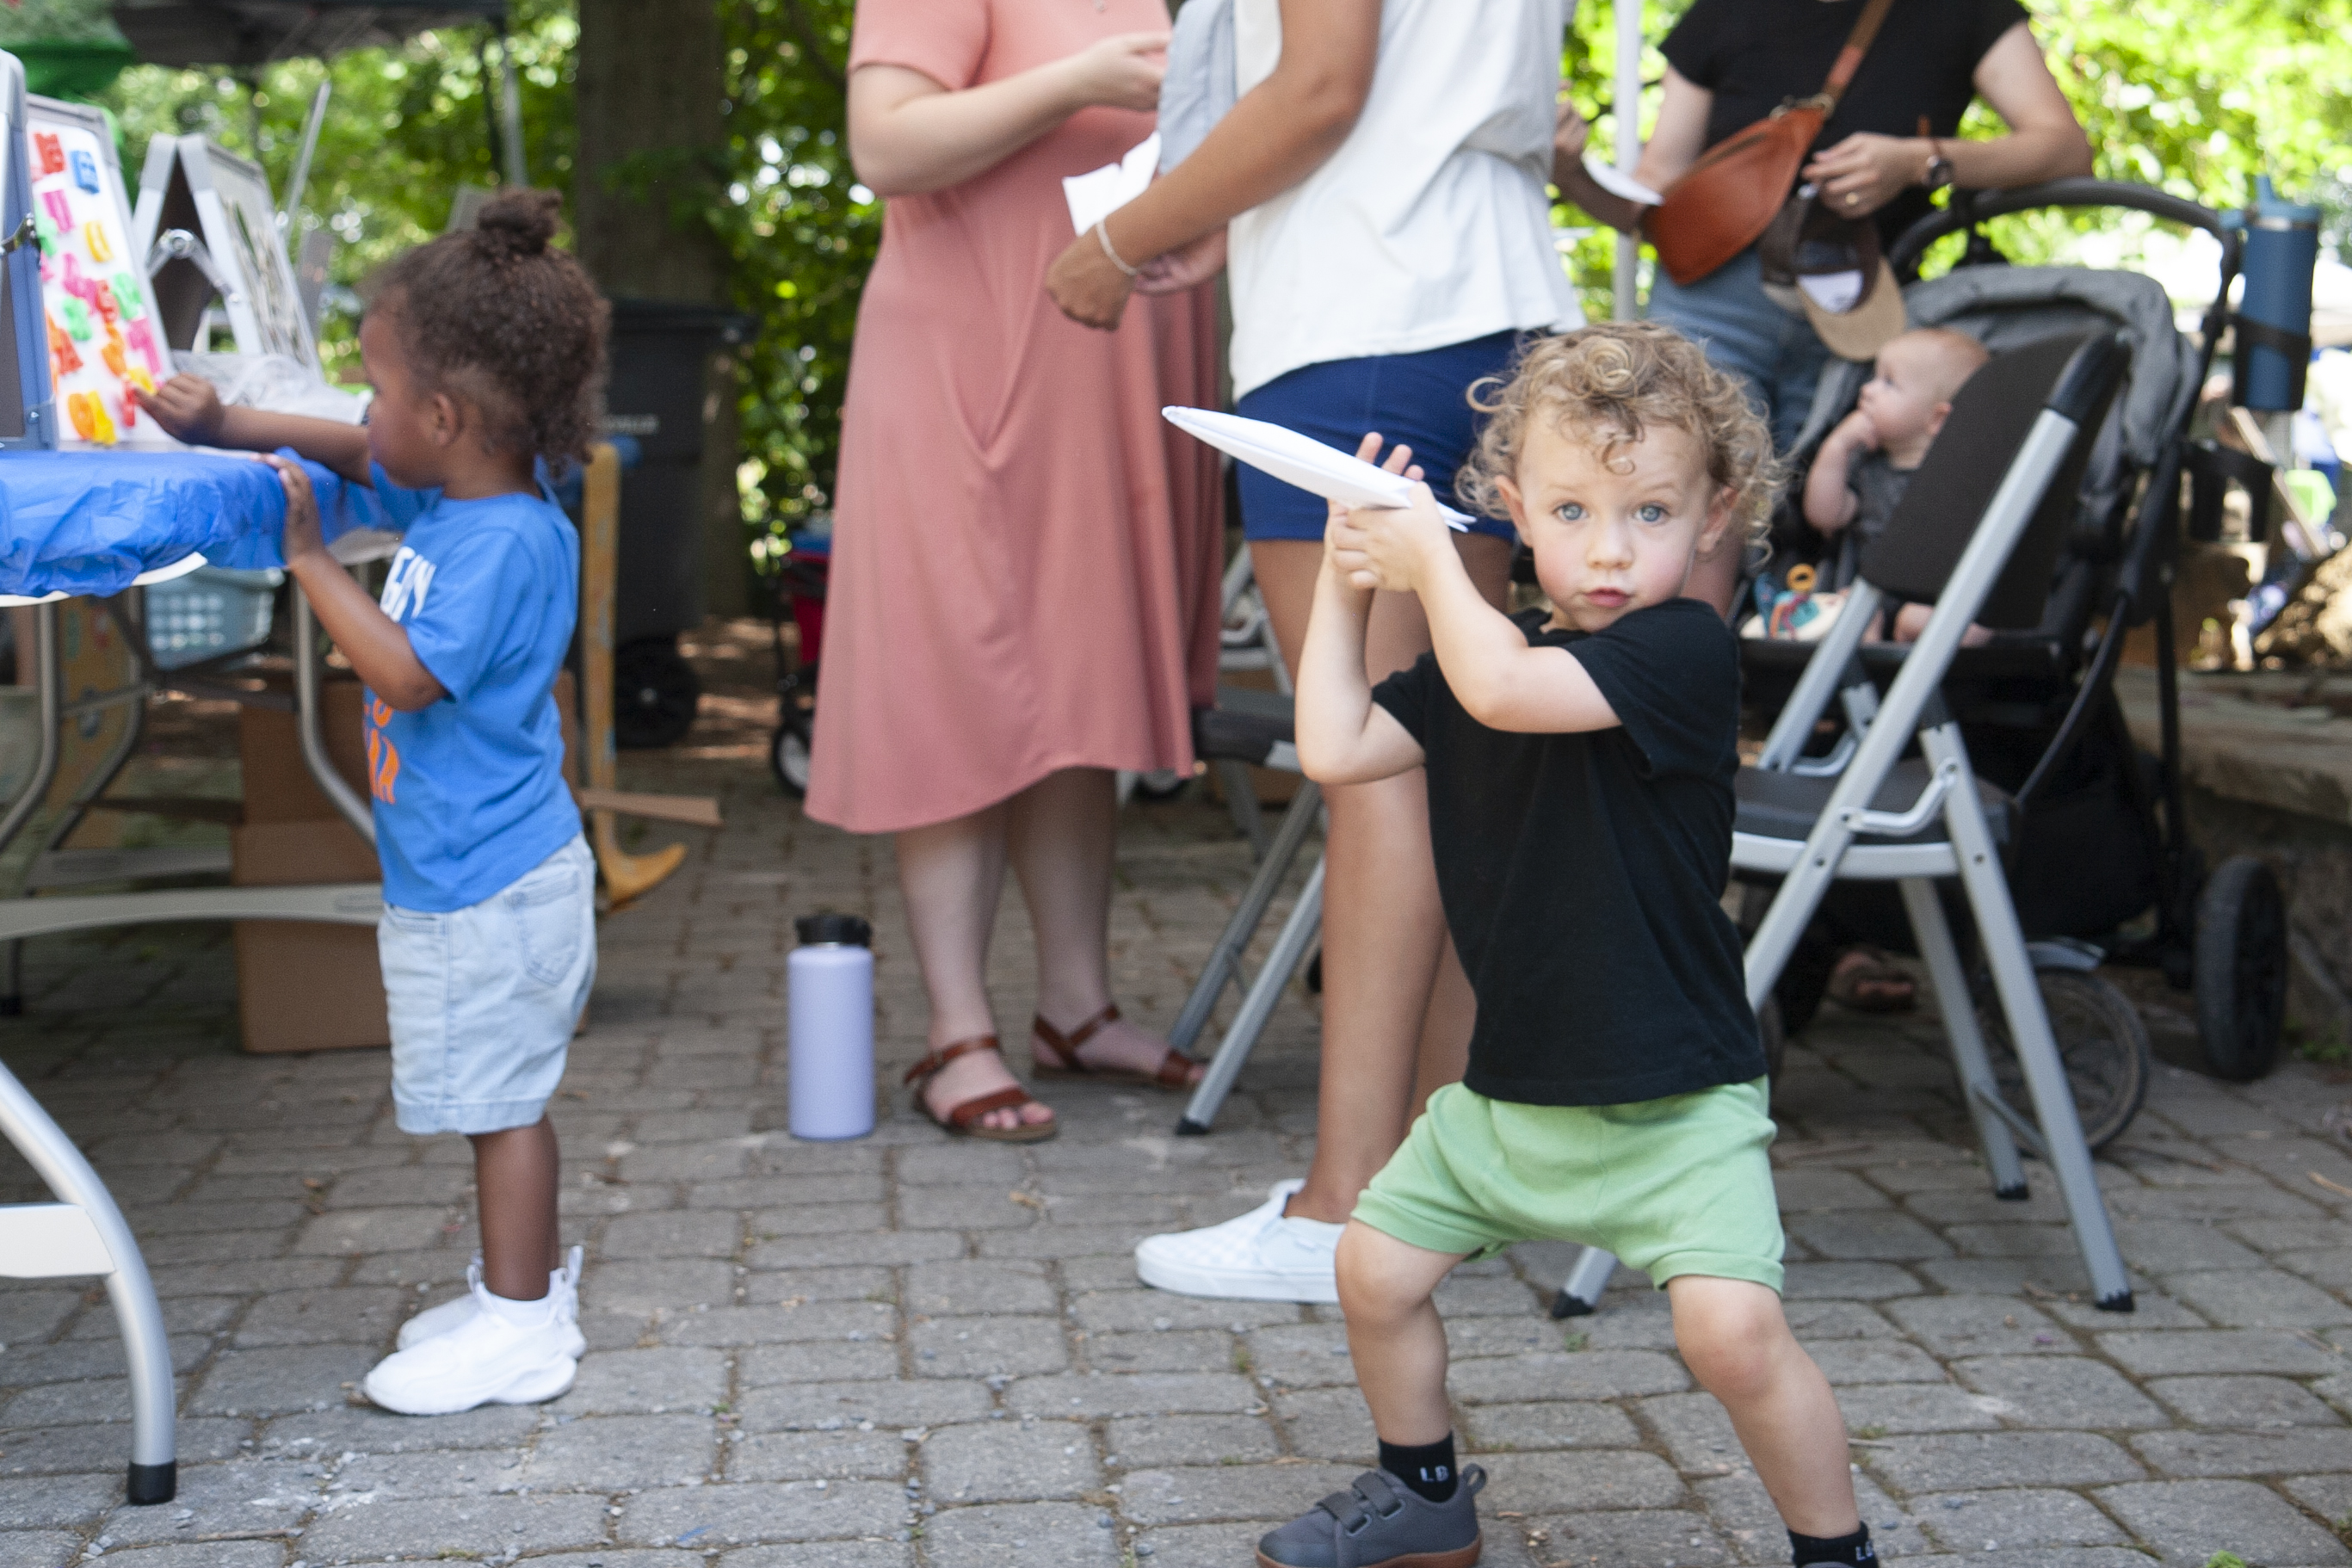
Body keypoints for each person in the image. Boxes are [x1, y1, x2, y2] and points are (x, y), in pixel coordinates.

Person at [1251, 322, 1867, 1568]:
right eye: (1573, 508)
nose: (1607, 547)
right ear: (1514, 508)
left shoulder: (1678, 653)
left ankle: (1834, 1550)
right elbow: (1335, 748)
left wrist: (1428, 561)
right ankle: (1423, 1495)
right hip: (1506, 1101)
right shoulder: (1498, 658)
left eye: (1648, 512)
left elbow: (1504, 694)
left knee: (1731, 1338)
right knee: (1371, 1272)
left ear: (1711, 517)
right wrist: (1345, 580)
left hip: (1673, 1106)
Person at [1046, 0, 1583, 1303]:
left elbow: (1319, 89)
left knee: (1380, 767)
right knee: (1453, 754)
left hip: (1361, 311)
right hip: (1489, 305)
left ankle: (1350, 1201)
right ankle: (1453, 1179)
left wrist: (1118, 241)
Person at [136, 191, 606, 1414]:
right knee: (493, 1100)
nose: (364, 411)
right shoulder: (472, 495)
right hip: (478, 869)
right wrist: (231, 420)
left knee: (501, 1107)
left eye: (380, 389)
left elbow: (400, 670)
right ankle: (518, 1290)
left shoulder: (498, 542)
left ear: (446, 417)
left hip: (489, 884)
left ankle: (520, 1326)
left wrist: (306, 561)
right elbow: (361, 450)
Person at [813, 2, 1227, 1140]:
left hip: (1096, 382)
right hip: (968, 359)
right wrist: (1073, 81)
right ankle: (957, 1032)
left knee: (1074, 685)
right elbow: (884, 145)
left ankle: (1074, 1006)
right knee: (959, 678)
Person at [1553, 0, 2091, 615]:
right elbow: (1651, 202)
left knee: (1836, 512)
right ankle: (1685, 679)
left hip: (1864, 310)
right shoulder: (1721, 15)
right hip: (1714, 300)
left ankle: (1802, 686)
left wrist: (1920, 161)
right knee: (1688, 501)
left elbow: (2063, 148)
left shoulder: (1963, 12)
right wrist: (1571, 176)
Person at [1804, 326, 1989, 547]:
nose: (1867, 389)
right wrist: (1837, 447)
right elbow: (1825, 518)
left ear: (1937, 419)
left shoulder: (1953, 485)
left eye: (1889, 382)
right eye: (1875, 377)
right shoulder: (1866, 462)